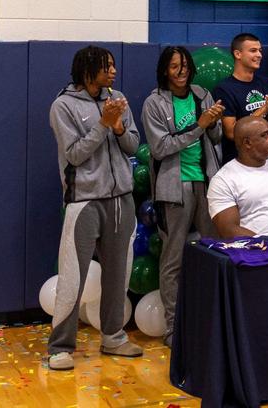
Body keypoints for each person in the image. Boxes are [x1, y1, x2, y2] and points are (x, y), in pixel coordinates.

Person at [46, 46, 142, 370]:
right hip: (84, 200)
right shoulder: (63, 106)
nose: (113, 71)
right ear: (88, 69)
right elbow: (74, 155)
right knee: (73, 275)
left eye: (114, 66)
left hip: (121, 199)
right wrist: (103, 124)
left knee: (119, 274)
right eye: (107, 66)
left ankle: (113, 336)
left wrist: (118, 126)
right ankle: (60, 347)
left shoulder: (118, 99)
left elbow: (132, 144)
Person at [141, 46, 224, 348]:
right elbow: (161, 148)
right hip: (174, 189)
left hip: (208, 183)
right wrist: (199, 126)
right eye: (175, 66)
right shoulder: (154, 103)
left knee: (216, 251)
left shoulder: (202, 94)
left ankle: (215, 321)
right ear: (165, 70)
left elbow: (214, 139)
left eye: (186, 65)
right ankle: (173, 329)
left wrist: (213, 122)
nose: (182, 71)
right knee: (173, 259)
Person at [213, 33, 268, 165]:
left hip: (266, 161)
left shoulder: (267, 83)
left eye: (260, 51)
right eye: (253, 50)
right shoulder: (224, 89)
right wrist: (264, 108)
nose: (259, 55)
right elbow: (231, 133)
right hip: (239, 163)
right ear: (238, 54)